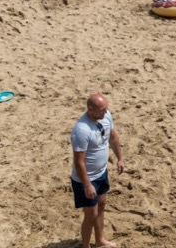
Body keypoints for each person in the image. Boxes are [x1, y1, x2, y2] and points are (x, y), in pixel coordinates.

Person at [70, 94, 124, 248]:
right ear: (90, 109)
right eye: (102, 110)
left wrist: (119, 158)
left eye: (106, 108)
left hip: (101, 172)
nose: (105, 112)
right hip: (86, 179)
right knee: (91, 215)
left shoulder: (105, 116)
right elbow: (78, 161)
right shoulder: (81, 130)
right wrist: (87, 185)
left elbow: (112, 137)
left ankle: (100, 240)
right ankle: (85, 246)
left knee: (101, 205)